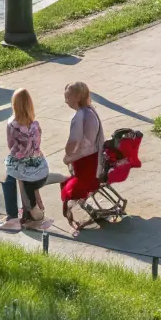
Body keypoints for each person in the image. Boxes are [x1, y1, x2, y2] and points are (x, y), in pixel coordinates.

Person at [0, 87, 51, 231]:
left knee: (8, 179)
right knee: (26, 184)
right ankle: (28, 214)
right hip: (36, 162)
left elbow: (10, 145)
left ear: (14, 105)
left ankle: (11, 215)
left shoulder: (12, 123)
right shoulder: (35, 124)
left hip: (20, 161)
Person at [60, 81, 104, 233]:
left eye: (68, 95)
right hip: (92, 160)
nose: (65, 99)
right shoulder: (91, 111)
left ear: (77, 96)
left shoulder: (79, 116)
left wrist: (67, 155)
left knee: (70, 187)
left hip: (86, 164)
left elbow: (74, 141)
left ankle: (71, 213)